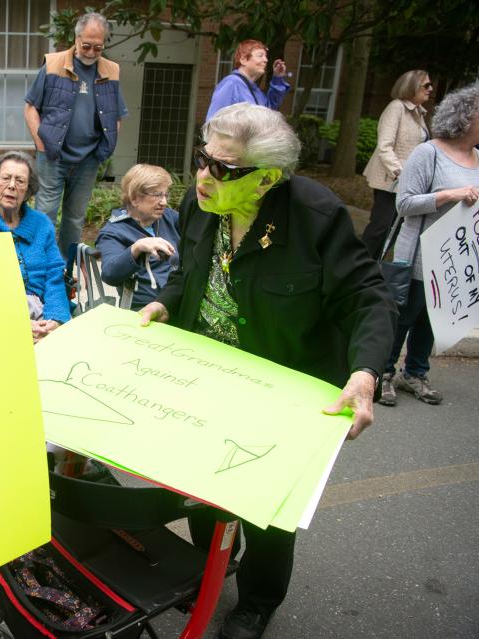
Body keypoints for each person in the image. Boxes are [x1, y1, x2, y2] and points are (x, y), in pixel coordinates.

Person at [139, 103, 396, 639]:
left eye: (224, 170)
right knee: (202, 490)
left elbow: (369, 298)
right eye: (202, 159)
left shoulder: (315, 217)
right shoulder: (198, 202)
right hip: (204, 374)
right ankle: (212, 568)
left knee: (268, 512)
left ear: (266, 181)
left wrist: (365, 371)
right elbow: (189, 271)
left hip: (282, 384)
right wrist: (166, 301)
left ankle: (256, 602)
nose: (203, 176)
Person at [380, 82, 479, 407]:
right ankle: (383, 374)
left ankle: (415, 373)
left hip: (456, 260)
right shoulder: (429, 153)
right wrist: (448, 195)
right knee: (404, 317)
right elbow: (404, 204)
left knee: (433, 321)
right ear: (465, 118)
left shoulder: (477, 158)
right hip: (421, 256)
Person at [24, 11, 128, 258]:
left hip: (88, 159)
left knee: (74, 218)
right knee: (45, 213)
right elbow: (30, 108)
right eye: (87, 46)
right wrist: (41, 144)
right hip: (52, 155)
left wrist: (105, 148)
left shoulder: (111, 70)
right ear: (77, 37)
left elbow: (116, 115)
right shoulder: (53, 64)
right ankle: (41, 263)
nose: (91, 53)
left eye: (98, 47)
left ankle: (66, 268)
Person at [0, 151, 70, 343]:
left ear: (29, 190)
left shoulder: (41, 224)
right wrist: (17, 323)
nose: (12, 186)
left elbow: (54, 276)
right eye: (5, 178)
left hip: (42, 315)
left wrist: (55, 320)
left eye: (20, 181)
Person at [360, 70, 432, 258]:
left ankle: (374, 266)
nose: (430, 89)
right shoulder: (396, 108)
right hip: (390, 181)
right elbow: (385, 146)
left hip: (406, 183)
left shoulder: (418, 113)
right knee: (380, 226)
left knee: (394, 228)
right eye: (426, 85)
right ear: (411, 86)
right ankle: (358, 266)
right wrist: (400, 172)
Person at [96, 164, 180, 310]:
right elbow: (110, 274)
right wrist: (136, 248)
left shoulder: (169, 217)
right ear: (134, 198)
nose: (164, 202)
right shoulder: (114, 231)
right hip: (142, 309)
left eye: (165, 195)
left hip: (178, 301)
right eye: (157, 195)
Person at [205, 40, 290, 122]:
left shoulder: (255, 90)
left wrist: (277, 77)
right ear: (243, 60)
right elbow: (214, 121)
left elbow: (269, 112)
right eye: (260, 56)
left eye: (265, 56)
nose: (266, 60)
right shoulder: (231, 84)